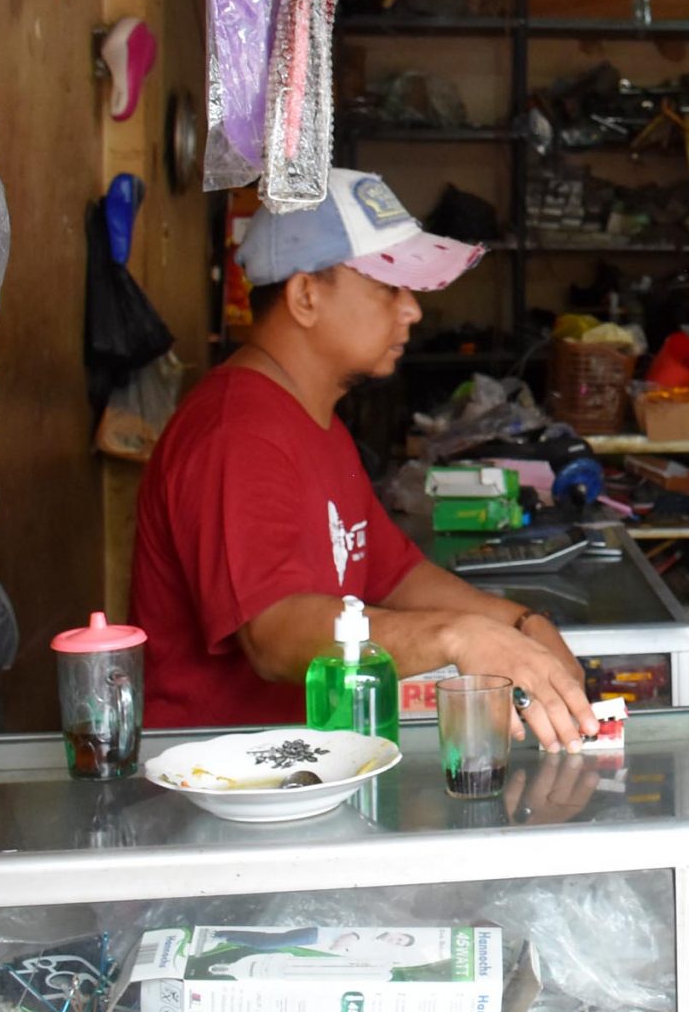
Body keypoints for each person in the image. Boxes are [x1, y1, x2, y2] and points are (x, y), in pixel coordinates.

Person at [131, 170, 596, 748]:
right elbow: (273, 637)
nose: (413, 311)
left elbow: (391, 573)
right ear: (305, 296)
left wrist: (518, 624)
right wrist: (459, 638)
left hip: (302, 771)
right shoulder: (237, 433)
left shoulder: (315, 419)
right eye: (387, 288)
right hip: (224, 789)